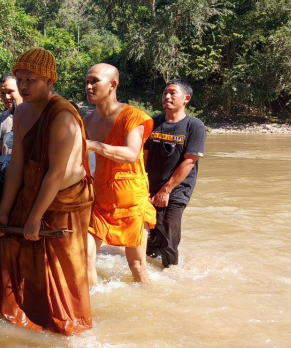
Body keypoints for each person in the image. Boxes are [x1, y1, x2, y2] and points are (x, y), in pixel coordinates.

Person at [0, 47, 94, 336]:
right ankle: (27, 321)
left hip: (63, 200)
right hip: (32, 191)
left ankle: (69, 330)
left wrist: (35, 218)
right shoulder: (21, 111)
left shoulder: (62, 116)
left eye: (31, 80)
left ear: (49, 81)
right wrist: (4, 211)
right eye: (20, 80)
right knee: (12, 252)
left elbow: (55, 173)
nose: (23, 86)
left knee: (61, 271)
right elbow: (17, 165)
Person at [83, 63, 156, 285]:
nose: (88, 86)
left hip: (130, 198)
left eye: (95, 81)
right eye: (87, 81)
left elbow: (132, 154)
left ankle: (149, 300)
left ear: (112, 85)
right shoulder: (87, 121)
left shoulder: (132, 116)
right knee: (84, 258)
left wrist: (93, 145)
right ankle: (93, 303)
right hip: (99, 198)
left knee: (137, 266)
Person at [144, 79, 206, 268]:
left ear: (186, 98)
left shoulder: (194, 126)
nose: (167, 96)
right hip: (150, 186)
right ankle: (150, 272)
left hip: (177, 188)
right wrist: (142, 184)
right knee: (149, 235)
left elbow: (189, 161)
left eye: (172, 93)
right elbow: (144, 156)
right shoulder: (153, 122)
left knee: (168, 234)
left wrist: (166, 190)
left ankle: (171, 271)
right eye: (165, 93)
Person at [0, 72, 23, 160]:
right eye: (2, 93)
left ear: (21, 90)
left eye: (10, 92)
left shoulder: (33, 116)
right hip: (3, 166)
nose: (6, 97)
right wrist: (1, 165)